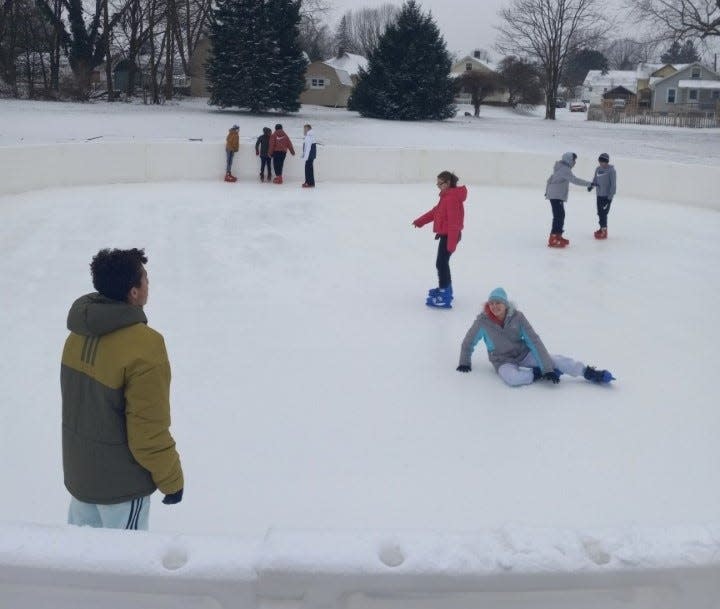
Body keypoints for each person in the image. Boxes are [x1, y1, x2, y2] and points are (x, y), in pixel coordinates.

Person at [61, 248, 184, 530]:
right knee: (122, 568)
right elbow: (148, 431)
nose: (148, 286)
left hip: (82, 480)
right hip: (121, 489)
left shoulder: (77, 334)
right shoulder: (145, 346)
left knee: (80, 567)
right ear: (134, 293)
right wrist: (172, 480)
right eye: (145, 280)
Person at [456, 287, 614, 386]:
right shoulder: (483, 322)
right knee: (512, 379)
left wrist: (547, 367)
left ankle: (587, 372)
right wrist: (465, 362)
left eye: (498, 303)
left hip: (523, 354)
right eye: (492, 303)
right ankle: (536, 374)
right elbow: (469, 341)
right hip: (502, 361)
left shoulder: (518, 317)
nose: (495, 306)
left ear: (506, 305)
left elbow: (534, 341)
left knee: (555, 360)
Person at [412, 171, 468, 308]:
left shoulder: (451, 198)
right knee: (442, 263)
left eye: (440, 183)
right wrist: (420, 221)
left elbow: (454, 222)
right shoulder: (446, 196)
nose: (437, 185)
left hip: (450, 236)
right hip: (446, 235)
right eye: (437, 183)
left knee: (441, 264)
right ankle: (447, 289)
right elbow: (436, 212)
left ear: (448, 183)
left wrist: (451, 242)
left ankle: (445, 295)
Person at [544, 152, 594, 248]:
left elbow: (550, 179)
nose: (575, 162)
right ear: (569, 160)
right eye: (574, 160)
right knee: (558, 216)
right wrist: (590, 184)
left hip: (555, 195)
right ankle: (553, 238)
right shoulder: (565, 169)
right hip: (556, 195)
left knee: (560, 215)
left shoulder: (561, 167)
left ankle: (558, 236)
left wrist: (547, 191)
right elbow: (575, 180)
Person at [590, 152, 617, 239]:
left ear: (607, 162)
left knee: (604, 213)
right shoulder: (598, 169)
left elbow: (613, 185)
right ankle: (601, 228)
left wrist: (609, 199)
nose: (601, 163)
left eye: (603, 162)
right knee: (599, 213)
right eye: (600, 161)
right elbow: (595, 179)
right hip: (599, 195)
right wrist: (591, 186)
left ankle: (604, 231)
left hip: (606, 196)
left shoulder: (611, 171)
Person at [301, 123, 317, 188]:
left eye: (304, 129)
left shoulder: (308, 136)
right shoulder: (310, 136)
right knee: (310, 168)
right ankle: (311, 182)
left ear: (308, 129)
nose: (303, 131)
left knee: (308, 169)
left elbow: (308, 148)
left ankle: (308, 182)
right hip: (311, 155)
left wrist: (305, 156)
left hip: (309, 155)